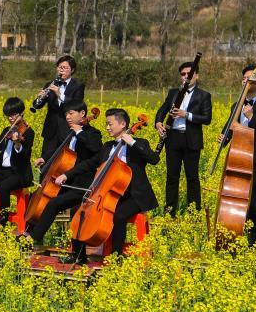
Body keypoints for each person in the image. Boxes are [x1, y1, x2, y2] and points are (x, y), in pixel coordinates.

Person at [66, 108, 159, 263]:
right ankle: (78, 255)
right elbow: (90, 163)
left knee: (119, 215)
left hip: (134, 195)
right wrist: (66, 174)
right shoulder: (108, 146)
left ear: (123, 124)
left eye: (110, 124)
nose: (107, 127)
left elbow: (154, 159)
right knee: (78, 210)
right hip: (110, 194)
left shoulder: (139, 143)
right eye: (106, 124)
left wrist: (132, 142)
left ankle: (116, 257)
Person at [22, 100, 103, 246]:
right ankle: (27, 231)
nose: (67, 117)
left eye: (71, 113)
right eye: (66, 113)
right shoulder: (69, 133)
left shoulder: (93, 134)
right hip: (65, 182)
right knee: (37, 195)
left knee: (53, 203)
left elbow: (95, 148)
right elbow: (59, 149)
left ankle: (34, 238)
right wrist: (44, 158)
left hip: (81, 184)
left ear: (83, 114)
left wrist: (79, 131)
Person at [217, 64, 256, 252]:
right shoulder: (236, 104)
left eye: (248, 78)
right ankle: (249, 242)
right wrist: (224, 138)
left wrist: (252, 117)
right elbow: (231, 127)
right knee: (242, 202)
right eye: (243, 78)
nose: (244, 81)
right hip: (238, 159)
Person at [155, 61, 212, 213]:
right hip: (173, 138)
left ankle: (194, 212)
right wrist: (158, 122)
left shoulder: (204, 95)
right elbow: (163, 109)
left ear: (197, 75)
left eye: (190, 73)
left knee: (192, 177)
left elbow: (207, 119)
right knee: (172, 176)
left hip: (191, 139)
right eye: (183, 74)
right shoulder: (173, 92)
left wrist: (186, 114)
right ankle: (170, 211)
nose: (186, 76)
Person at [33, 55, 85, 166]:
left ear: (72, 70)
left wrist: (60, 95)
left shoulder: (78, 86)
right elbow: (38, 106)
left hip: (67, 129)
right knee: (45, 162)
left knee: (63, 163)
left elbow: (77, 105)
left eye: (65, 67)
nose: (61, 70)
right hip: (50, 130)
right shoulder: (50, 84)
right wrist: (39, 98)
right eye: (60, 67)